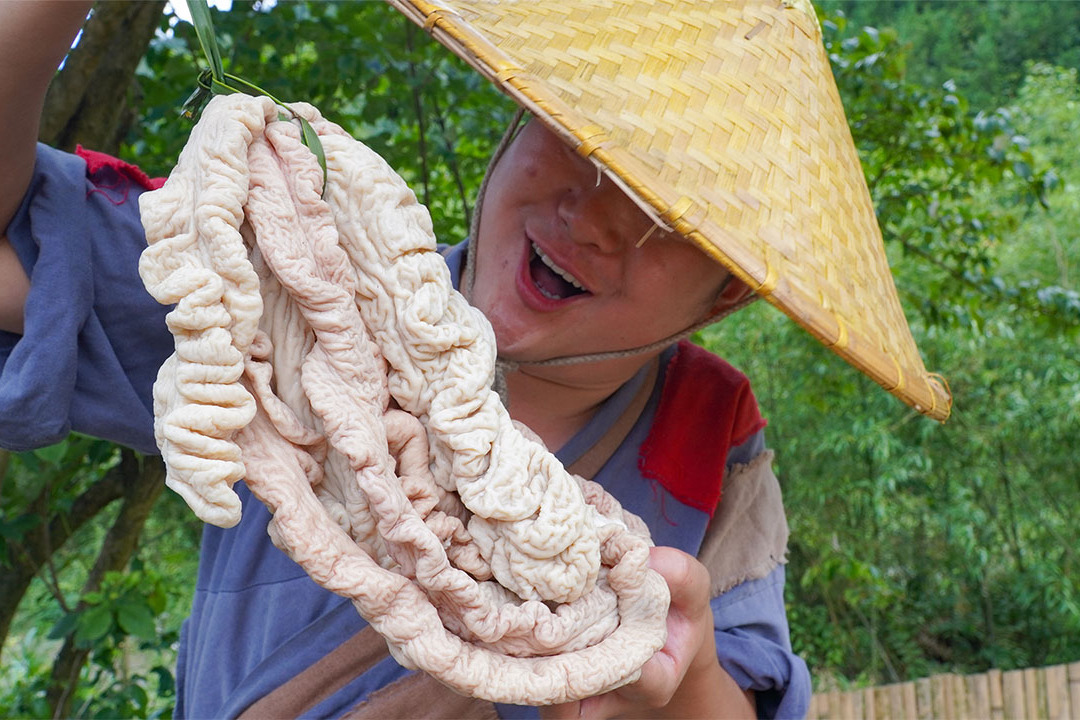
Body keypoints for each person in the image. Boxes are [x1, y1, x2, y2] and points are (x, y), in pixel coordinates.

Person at [0, 2, 951, 718]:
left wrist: (687, 676)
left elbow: (740, 691)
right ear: (514, 114)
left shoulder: (715, 437)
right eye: (580, 137)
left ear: (728, 294)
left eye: (673, 219)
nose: (595, 215)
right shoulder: (309, 289)